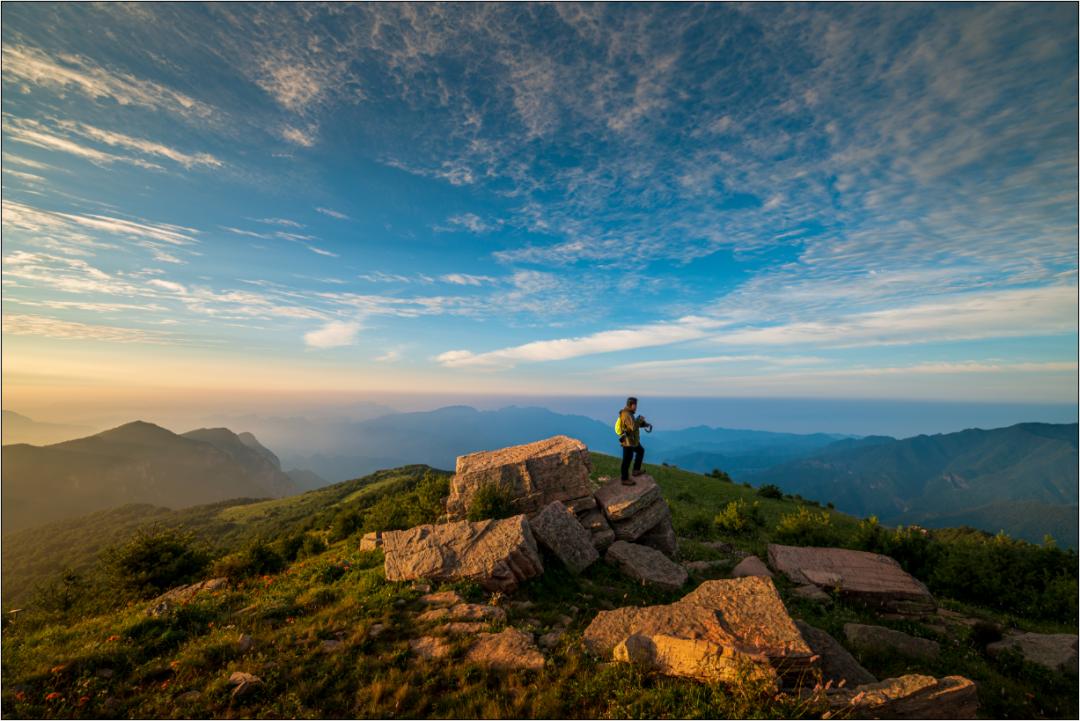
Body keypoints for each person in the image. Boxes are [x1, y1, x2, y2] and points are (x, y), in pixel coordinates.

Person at [617, 396, 651, 485]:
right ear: (631, 405)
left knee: (640, 451)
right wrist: (640, 420)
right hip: (628, 441)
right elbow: (632, 427)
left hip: (633, 440)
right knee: (627, 459)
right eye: (635, 405)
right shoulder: (626, 414)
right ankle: (624, 479)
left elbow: (633, 425)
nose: (636, 407)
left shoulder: (629, 413)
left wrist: (645, 424)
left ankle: (636, 470)